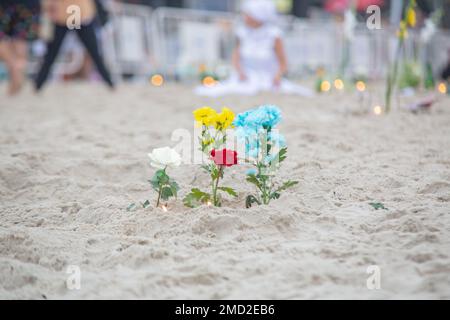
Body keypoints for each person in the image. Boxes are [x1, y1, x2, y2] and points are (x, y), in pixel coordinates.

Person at [195, 0, 313, 97]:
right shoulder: (242, 32)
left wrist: (277, 76)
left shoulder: (274, 34)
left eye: (248, 14)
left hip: (268, 79)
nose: (245, 17)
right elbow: (236, 57)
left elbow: (283, 63)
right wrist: (240, 72)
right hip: (246, 78)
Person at [35, 0, 114, 91]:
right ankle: (38, 83)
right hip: (67, 13)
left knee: (94, 53)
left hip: (76, 13)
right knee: (52, 54)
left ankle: (109, 82)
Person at [0, 0, 40, 95]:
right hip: (29, 5)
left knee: (18, 40)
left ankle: (14, 67)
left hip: (5, 5)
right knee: (21, 39)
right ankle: (17, 70)